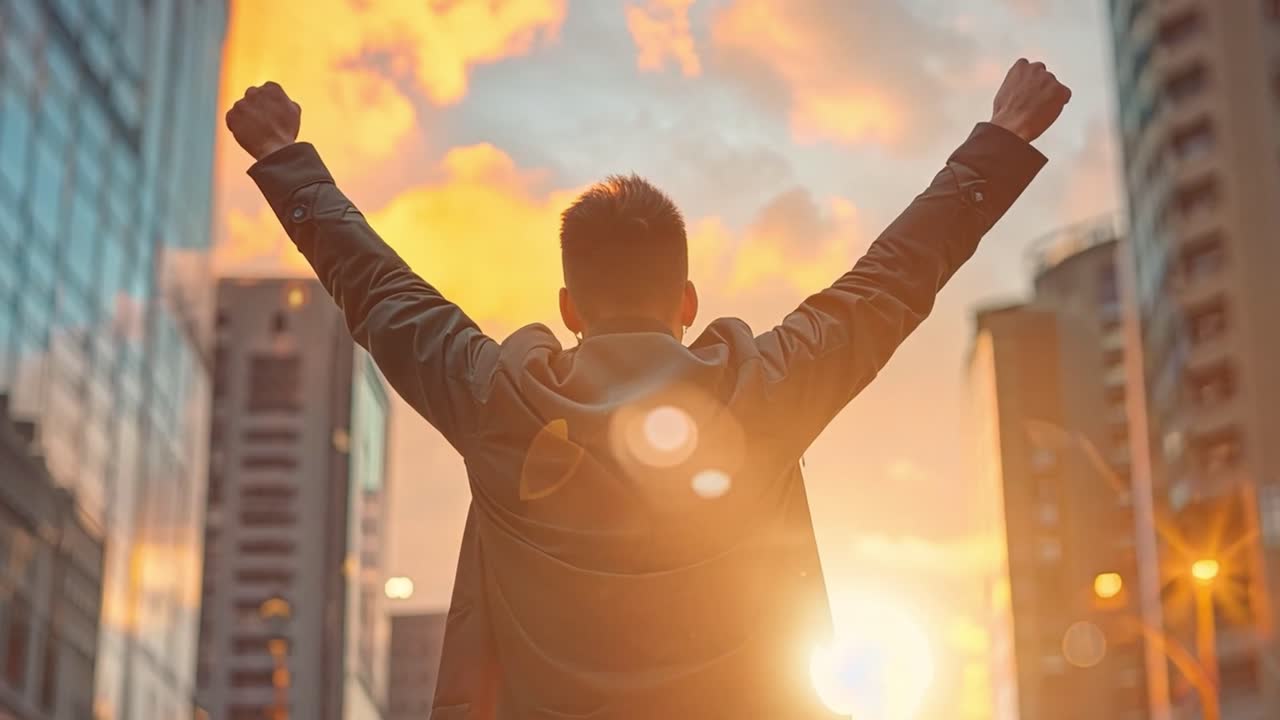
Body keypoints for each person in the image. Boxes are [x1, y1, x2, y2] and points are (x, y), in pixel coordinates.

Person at [226, 57, 1070, 719]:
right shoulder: (766, 390)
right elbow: (888, 281)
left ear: (567, 308)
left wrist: (287, 161)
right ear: (688, 302)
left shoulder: (496, 402)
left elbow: (382, 292)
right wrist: (998, 139)